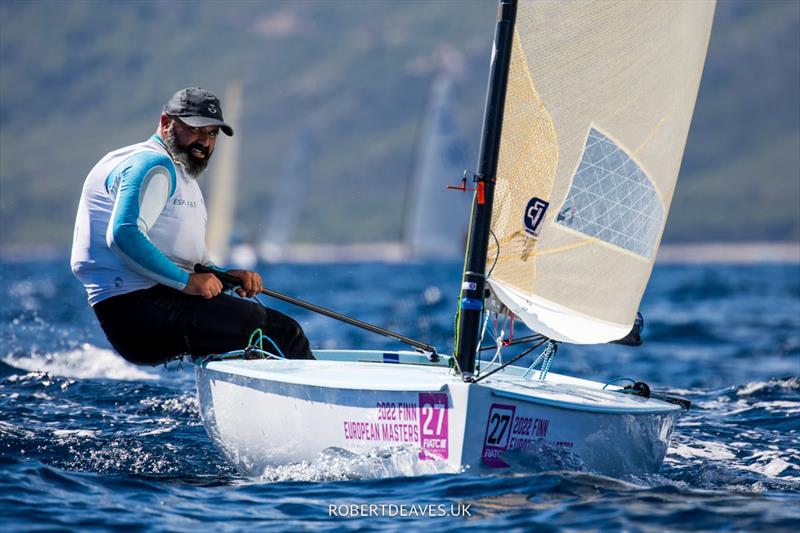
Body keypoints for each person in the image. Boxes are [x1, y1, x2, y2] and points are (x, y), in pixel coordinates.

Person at [70, 87, 314, 365]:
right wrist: (186, 283)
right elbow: (124, 234)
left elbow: (181, 256)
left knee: (252, 340)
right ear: (165, 123)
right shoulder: (153, 164)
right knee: (283, 333)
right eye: (196, 130)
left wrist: (227, 278)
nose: (205, 142)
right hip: (138, 309)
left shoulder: (174, 170)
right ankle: (323, 405)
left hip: (142, 308)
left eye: (212, 134)